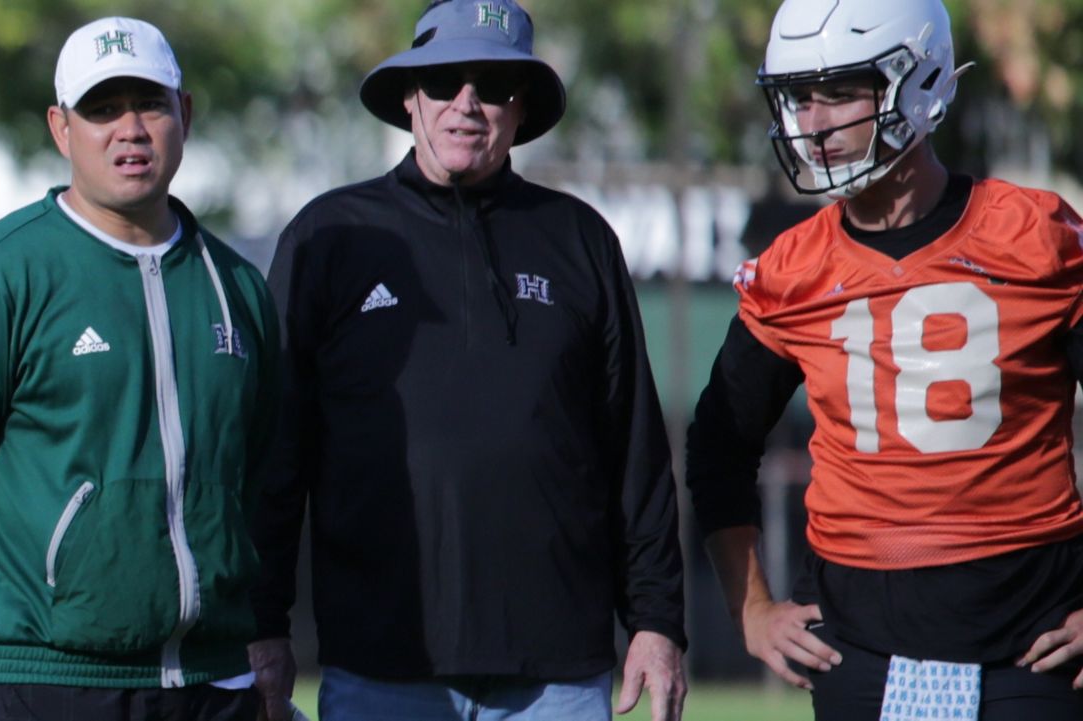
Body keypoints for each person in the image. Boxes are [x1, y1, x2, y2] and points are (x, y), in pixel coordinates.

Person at [247, 1, 687, 720]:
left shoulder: (580, 240)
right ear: (409, 96)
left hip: (559, 675)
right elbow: (272, 455)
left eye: (493, 85)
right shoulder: (330, 236)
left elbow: (634, 453)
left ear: (522, 110)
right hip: (380, 664)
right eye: (446, 79)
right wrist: (262, 624)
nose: (467, 103)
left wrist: (658, 620)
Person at [686, 0, 1083, 719]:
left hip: (1032, 647)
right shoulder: (792, 268)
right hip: (858, 655)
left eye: (839, 91)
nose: (813, 121)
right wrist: (751, 608)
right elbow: (717, 442)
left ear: (920, 81)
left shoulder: (1036, 235)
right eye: (799, 97)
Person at [0, 16, 278, 721]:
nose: (130, 128)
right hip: (50, 684)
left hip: (216, 685)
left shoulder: (238, 287)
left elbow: (270, 481)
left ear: (183, 114)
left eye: (150, 103)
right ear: (62, 129)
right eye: (102, 109)